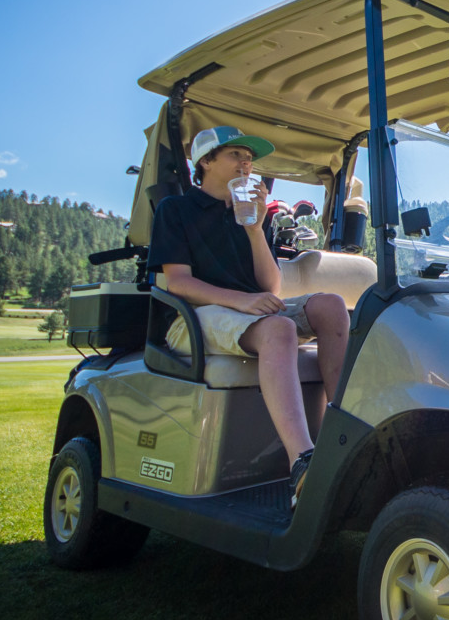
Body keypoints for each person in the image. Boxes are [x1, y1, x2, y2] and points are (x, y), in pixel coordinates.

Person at [148, 126, 351, 506]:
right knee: (279, 329)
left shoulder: (251, 215)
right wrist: (241, 301)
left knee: (331, 306)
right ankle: (302, 462)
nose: (246, 163)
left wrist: (256, 230)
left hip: (246, 312)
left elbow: (271, 285)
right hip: (194, 316)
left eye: (249, 158)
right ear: (206, 162)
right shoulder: (175, 210)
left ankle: (341, 439)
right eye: (235, 155)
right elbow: (178, 282)